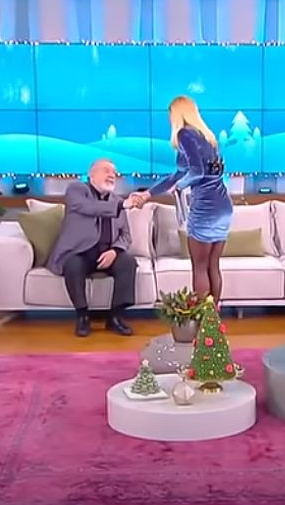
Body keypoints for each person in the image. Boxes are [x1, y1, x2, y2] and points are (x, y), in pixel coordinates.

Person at [133, 96, 233, 303]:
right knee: (213, 265)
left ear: (177, 114)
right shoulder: (207, 137)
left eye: (170, 114)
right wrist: (148, 193)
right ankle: (213, 316)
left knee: (200, 267)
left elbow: (196, 172)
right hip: (223, 207)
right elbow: (179, 173)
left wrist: (179, 186)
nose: (169, 118)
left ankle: (203, 317)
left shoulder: (184, 134)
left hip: (206, 208)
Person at [47, 159, 138, 337]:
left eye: (114, 172)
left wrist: (115, 251)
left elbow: (126, 236)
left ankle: (115, 317)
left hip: (108, 254)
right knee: (72, 264)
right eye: (106, 170)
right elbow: (89, 208)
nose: (112, 175)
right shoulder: (76, 190)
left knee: (128, 262)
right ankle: (83, 316)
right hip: (81, 253)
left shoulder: (117, 201)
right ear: (91, 175)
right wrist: (122, 205)